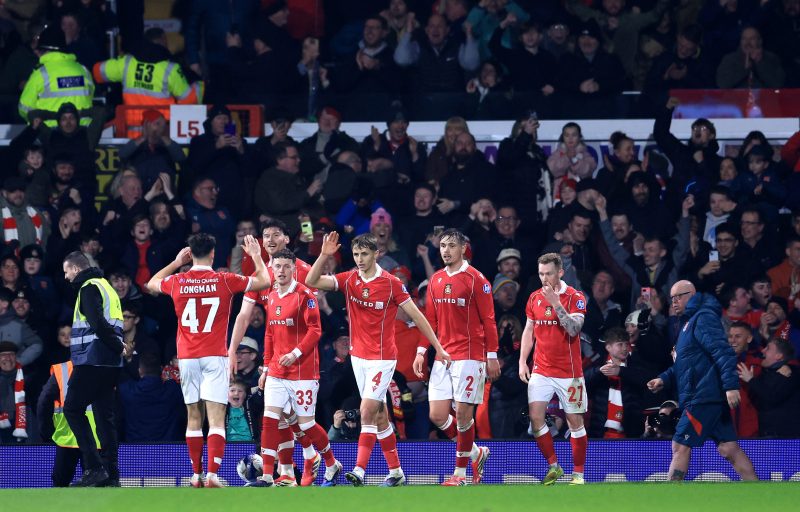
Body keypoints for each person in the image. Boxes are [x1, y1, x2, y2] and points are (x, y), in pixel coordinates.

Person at [306, 232, 450, 487]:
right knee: (380, 416)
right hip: (358, 358)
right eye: (356, 254)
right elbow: (311, 280)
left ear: (377, 254)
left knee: (366, 410)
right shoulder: (350, 279)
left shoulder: (391, 283)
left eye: (364, 254)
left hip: (383, 359)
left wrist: (437, 348)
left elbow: (418, 317)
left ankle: (359, 470)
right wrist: (325, 254)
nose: (360, 259)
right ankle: (396, 472)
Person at [145, 233, 269, 488]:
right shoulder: (225, 280)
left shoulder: (178, 281)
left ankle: (196, 474)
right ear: (213, 254)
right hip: (215, 356)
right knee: (216, 417)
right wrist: (256, 256)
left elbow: (151, 283)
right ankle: (212, 474)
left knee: (193, 416)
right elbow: (264, 280)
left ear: (190, 253)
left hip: (187, 357)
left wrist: (176, 263)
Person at [247, 249, 342, 487]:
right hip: (277, 370)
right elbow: (269, 333)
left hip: (303, 371)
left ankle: (331, 462)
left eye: (286, 266)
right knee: (270, 419)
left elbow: (315, 330)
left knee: (306, 424)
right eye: (277, 266)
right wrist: (266, 367)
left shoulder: (305, 295)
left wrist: (295, 353)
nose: (281, 271)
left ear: (293, 268)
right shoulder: (271, 296)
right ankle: (267, 476)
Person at [647, 280, 757, 481]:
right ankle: (757, 490)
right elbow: (685, 364)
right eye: (672, 298)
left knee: (680, 445)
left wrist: (731, 386)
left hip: (702, 397)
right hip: (707, 396)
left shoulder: (703, 318)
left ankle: (668, 496)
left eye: (678, 297)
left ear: (692, 294)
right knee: (728, 448)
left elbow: (723, 351)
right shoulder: (687, 324)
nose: (674, 302)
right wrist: (663, 379)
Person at [422, 229, 498, 486]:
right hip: (443, 355)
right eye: (443, 245)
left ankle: (460, 474)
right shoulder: (435, 279)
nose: (446, 250)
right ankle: (476, 452)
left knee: (464, 415)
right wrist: (422, 351)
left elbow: (489, 320)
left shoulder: (477, 279)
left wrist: (492, 355)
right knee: (437, 416)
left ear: (463, 248)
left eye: (451, 245)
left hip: (470, 354)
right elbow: (429, 321)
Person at [518, 252, 589, 485]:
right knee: (536, 418)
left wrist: (556, 303)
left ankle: (578, 474)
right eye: (541, 273)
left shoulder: (575, 297)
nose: (544, 278)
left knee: (575, 422)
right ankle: (554, 466)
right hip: (541, 370)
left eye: (548, 273)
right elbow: (529, 330)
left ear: (560, 272)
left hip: (570, 373)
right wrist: (522, 361)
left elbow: (574, 329)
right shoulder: (534, 298)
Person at [61, 251, 124, 487]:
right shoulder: (107, 287)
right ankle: (111, 474)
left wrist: (117, 346)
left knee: (72, 409)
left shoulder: (88, 288)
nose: (66, 277)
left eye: (66, 271)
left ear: (76, 269)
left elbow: (97, 323)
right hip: (110, 363)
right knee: (104, 416)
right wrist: (117, 347)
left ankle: (94, 468)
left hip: (92, 359)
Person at [36, 357, 100, 486]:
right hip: (96, 439)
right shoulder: (104, 368)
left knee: (60, 485)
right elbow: (115, 405)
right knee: (96, 483)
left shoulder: (62, 370)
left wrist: (46, 431)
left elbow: (44, 401)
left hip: (67, 437)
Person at [18, 25, 95, 127]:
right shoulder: (83, 70)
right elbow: (90, 96)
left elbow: (24, 108)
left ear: (44, 51)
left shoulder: (41, 74)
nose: (37, 54)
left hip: (50, 133)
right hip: (83, 131)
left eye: (39, 51)